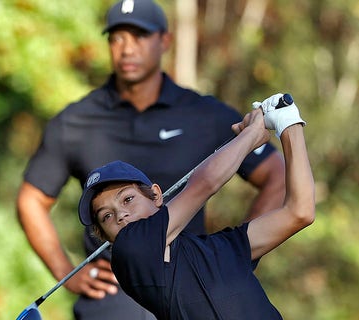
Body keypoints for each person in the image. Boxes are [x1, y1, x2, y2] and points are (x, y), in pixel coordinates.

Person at [16, 0, 286, 319]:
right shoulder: (75, 121)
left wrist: (236, 257)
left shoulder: (203, 113)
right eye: (117, 38)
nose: (127, 48)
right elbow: (31, 199)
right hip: (111, 302)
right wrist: (66, 270)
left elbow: (275, 174)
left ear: (165, 42)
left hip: (190, 298)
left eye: (139, 36)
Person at [77, 93, 315, 319]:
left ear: (156, 195)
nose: (121, 215)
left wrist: (289, 123)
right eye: (106, 216)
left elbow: (300, 212)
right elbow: (205, 183)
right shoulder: (129, 251)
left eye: (127, 199)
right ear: (106, 237)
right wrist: (252, 135)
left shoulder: (220, 247)